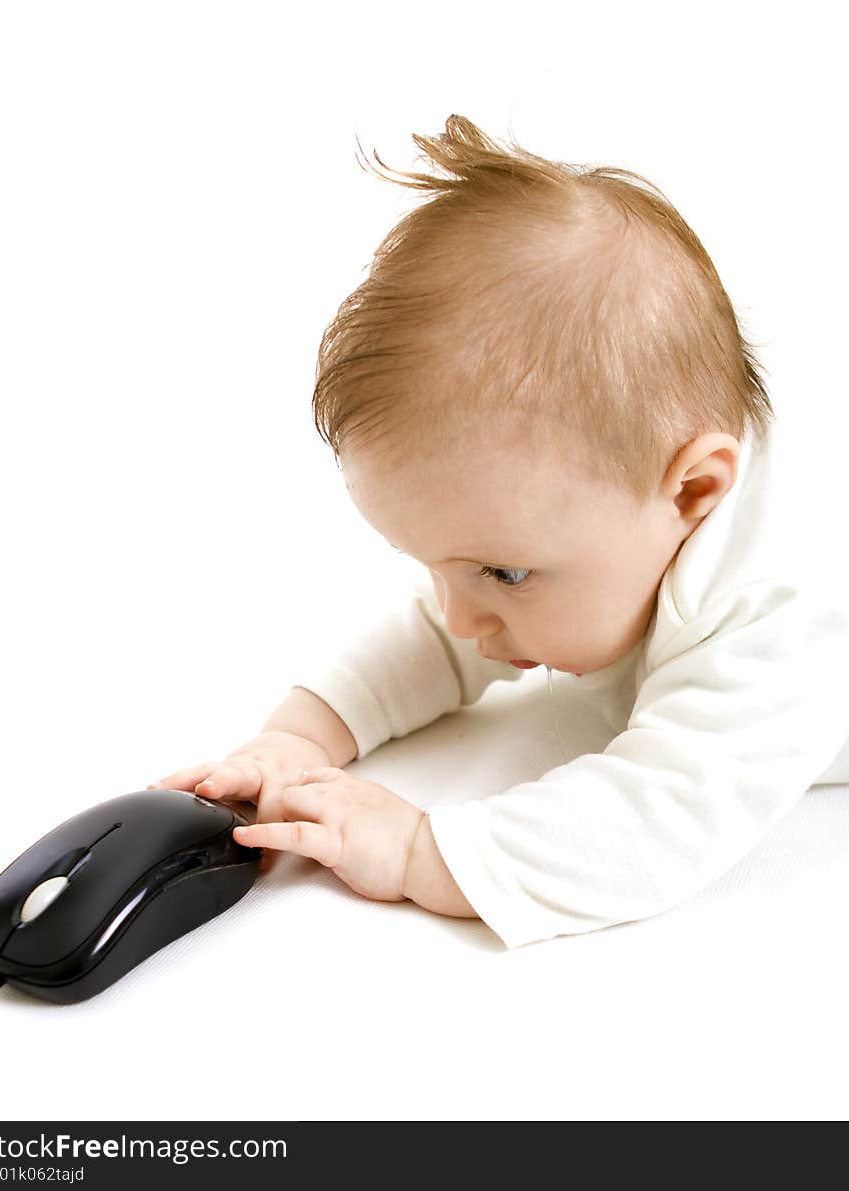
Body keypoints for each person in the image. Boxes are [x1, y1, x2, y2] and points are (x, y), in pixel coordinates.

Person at [148, 115, 849, 949]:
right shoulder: (594, 519)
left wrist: (422, 849)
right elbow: (438, 636)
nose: (459, 616)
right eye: (440, 568)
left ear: (694, 488)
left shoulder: (780, 607)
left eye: (502, 575)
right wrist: (297, 738)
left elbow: (662, 815)